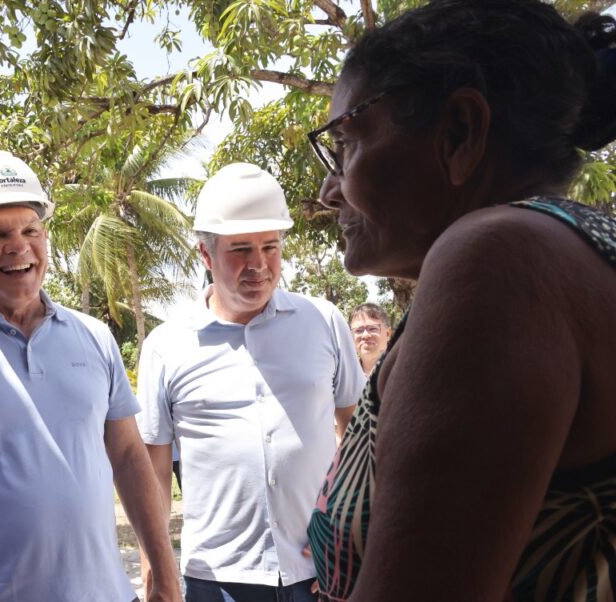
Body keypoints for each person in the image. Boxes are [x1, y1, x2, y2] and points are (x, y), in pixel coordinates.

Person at [306, 2, 616, 600]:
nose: (327, 191)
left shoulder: (499, 258)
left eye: (345, 143)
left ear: (459, 133)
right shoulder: (575, 249)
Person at [0, 149, 181, 602]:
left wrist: (165, 574)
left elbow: (128, 456)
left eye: (30, 230)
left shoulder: (93, 337)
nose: (18, 246)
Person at [136, 163, 365, 602]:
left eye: (270, 247)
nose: (258, 265)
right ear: (205, 255)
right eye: (240, 250)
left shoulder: (323, 321)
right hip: (217, 579)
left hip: (318, 572)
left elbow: (357, 437)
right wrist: (156, 580)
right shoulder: (167, 346)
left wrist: (349, 545)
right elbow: (154, 475)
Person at [347, 303, 392, 377]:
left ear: (388, 334)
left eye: (372, 329)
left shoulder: (403, 370)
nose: (365, 335)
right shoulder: (345, 377)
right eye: (358, 330)